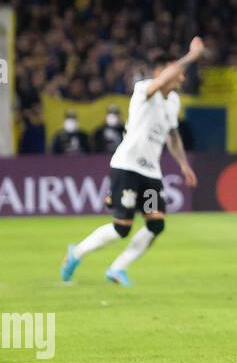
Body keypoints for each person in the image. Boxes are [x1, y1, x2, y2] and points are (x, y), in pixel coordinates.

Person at [59, 38, 204, 286]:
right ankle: (77, 252)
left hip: (151, 174)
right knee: (122, 228)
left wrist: (183, 164)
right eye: (177, 71)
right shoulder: (144, 89)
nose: (182, 77)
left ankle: (117, 269)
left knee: (156, 224)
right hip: (127, 166)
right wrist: (190, 56)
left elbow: (173, 136)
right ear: (162, 72)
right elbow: (159, 82)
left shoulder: (174, 101)